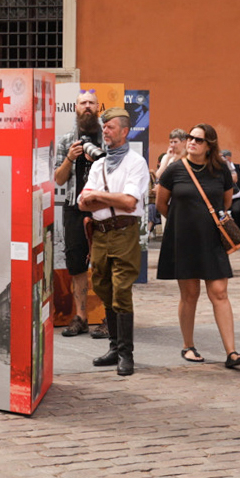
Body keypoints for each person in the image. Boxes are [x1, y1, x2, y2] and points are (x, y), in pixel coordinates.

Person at [155, 122, 240, 369]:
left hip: (212, 240)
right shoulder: (174, 170)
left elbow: (225, 202)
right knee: (190, 294)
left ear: (209, 146)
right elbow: (161, 203)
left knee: (219, 292)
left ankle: (232, 352)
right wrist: (181, 221)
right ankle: (188, 345)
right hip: (183, 240)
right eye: (190, 137)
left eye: (198, 139)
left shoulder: (220, 170)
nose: (192, 142)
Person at [82, 106, 150, 376]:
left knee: (121, 290)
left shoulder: (136, 163)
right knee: (103, 287)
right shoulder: (98, 164)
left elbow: (129, 202)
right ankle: (113, 347)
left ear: (125, 131)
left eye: (110, 127)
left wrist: (98, 196)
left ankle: (125, 354)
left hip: (123, 232)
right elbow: (83, 203)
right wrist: (109, 198)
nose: (105, 131)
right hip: (99, 233)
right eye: (104, 127)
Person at [53, 92, 106, 337]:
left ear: (97, 107)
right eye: (83, 103)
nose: (87, 106)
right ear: (76, 107)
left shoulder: (108, 137)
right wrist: (69, 158)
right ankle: (81, 317)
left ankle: (109, 317)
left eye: (91, 103)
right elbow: (58, 179)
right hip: (74, 208)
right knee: (76, 266)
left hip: (104, 208)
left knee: (106, 264)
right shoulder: (66, 140)